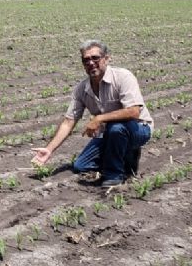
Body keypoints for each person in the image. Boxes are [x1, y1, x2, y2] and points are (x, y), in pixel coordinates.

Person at [32, 40, 153, 187]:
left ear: (106, 59)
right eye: (86, 60)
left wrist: (100, 118)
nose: (90, 63)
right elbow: (68, 121)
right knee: (81, 165)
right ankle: (120, 154)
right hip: (110, 134)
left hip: (139, 129)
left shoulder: (123, 77)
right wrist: (49, 150)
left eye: (95, 58)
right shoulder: (82, 89)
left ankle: (114, 175)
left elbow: (134, 112)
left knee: (116, 128)